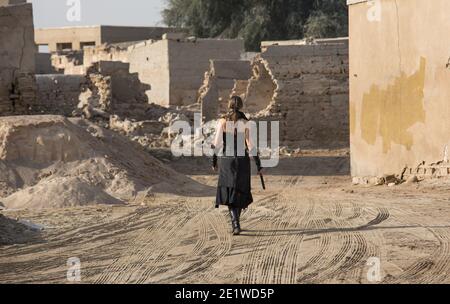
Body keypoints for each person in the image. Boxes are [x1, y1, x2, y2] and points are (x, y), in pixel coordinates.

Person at [211, 96, 263, 236]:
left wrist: (214, 161)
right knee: (239, 190)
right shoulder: (246, 123)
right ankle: (236, 224)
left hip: (227, 160)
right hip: (242, 161)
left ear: (229, 106)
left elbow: (216, 143)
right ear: (241, 106)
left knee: (230, 191)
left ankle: (236, 224)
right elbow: (250, 145)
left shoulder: (222, 121)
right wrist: (258, 164)